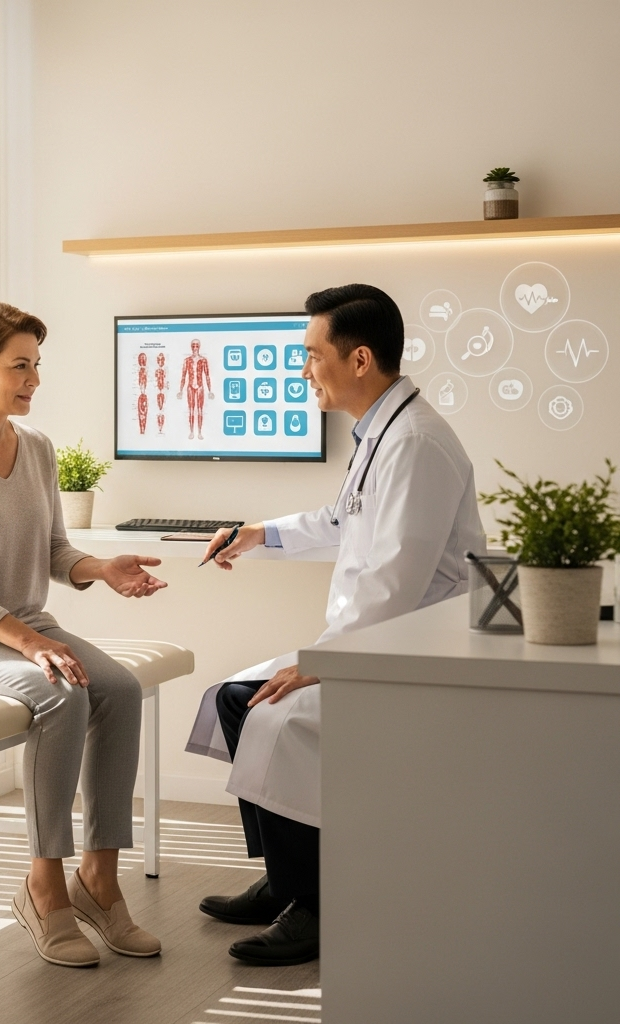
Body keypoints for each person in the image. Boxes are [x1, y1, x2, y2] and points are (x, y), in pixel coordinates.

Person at [187, 284, 485, 966]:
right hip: (372, 643)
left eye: (310, 355)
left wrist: (321, 661)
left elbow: (395, 582)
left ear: (358, 360)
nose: (302, 370)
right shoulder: (384, 430)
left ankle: (315, 904)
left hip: (408, 654)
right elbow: (343, 521)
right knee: (237, 697)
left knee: (276, 715)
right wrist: (257, 533)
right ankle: (286, 881)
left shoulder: (416, 443)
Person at [0, 300, 167, 968]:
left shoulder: (36, 448)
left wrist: (101, 568)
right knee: (59, 693)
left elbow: (52, 550)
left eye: (36, 366)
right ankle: (43, 883)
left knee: (121, 690)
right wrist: (30, 643)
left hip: (22, 625)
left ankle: (98, 883)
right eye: (19, 366)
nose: (32, 380)